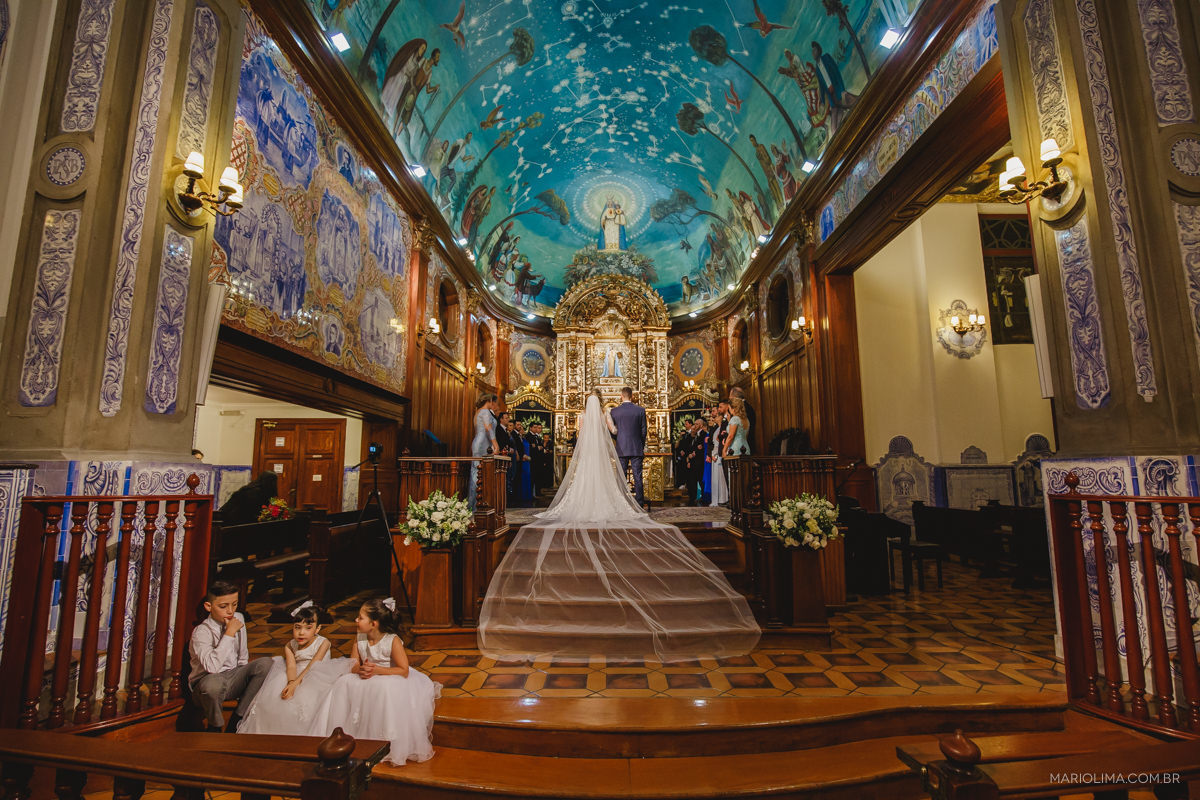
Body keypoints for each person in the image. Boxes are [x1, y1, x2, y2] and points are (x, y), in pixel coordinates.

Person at [478, 392, 760, 662]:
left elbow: (580, 435)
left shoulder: (580, 418)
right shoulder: (605, 413)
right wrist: (612, 429)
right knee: (609, 485)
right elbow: (612, 431)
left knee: (582, 485)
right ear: (599, 403)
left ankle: (582, 504)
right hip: (610, 454)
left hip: (585, 457)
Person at [309, 598, 441, 765]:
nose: (356, 620)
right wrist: (360, 670)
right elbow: (353, 663)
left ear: (374, 623)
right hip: (367, 676)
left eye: (360, 617)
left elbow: (403, 670)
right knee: (343, 683)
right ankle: (341, 737)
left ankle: (384, 742)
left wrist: (378, 671)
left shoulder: (391, 640)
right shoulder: (360, 638)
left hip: (390, 677)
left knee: (382, 688)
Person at [238, 602, 350, 734]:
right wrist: (290, 683)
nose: (301, 633)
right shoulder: (290, 645)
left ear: (317, 629)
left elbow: (313, 665)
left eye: (308, 628)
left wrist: (296, 684)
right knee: (276, 698)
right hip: (295, 673)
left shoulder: (323, 643)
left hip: (316, 674)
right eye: (297, 627)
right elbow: (291, 666)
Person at [189, 580, 272, 732]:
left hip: (232, 677)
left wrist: (243, 677)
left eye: (234, 604)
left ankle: (237, 719)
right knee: (213, 685)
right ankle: (215, 726)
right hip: (207, 682)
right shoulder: (201, 632)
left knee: (266, 664)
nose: (230, 611)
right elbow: (212, 667)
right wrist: (229, 634)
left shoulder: (238, 618)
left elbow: (242, 657)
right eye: (223, 606)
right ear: (209, 607)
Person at [608, 387, 647, 506]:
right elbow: (644, 430)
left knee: (621, 476)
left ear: (621, 396)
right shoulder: (640, 410)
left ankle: (622, 503)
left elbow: (612, 431)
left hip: (621, 447)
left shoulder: (614, 411)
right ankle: (640, 502)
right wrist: (641, 444)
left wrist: (618, 440)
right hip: (636, 447)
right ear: (632, 396)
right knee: (638, 476)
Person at [468, 394, 500, 510]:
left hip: (479, 441)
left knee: (477, 472)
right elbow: (488, 428)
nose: (496, 406)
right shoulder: (486, 411)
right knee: (479, 472)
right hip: (483, 443)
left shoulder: (478, 411)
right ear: (490, 401)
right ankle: (478, 505)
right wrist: (496, 445)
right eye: (495, 403)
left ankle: (477, 504)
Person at [709, 406, 730, 507]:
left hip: (719, 453)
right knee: (715, 478)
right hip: (714, 454)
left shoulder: (723, 428)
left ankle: (723, 497)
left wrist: (716, 454)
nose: (715, 418)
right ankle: (716, 499)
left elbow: (719, 442)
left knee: (721, 477)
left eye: (717, 416)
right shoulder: (716, 428)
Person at [729, 387, 756, 454]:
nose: (729, 398)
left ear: (734, 397)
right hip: (747, 443)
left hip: (739, 447)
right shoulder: (749, 407)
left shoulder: (741, 409)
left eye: (730, 396)